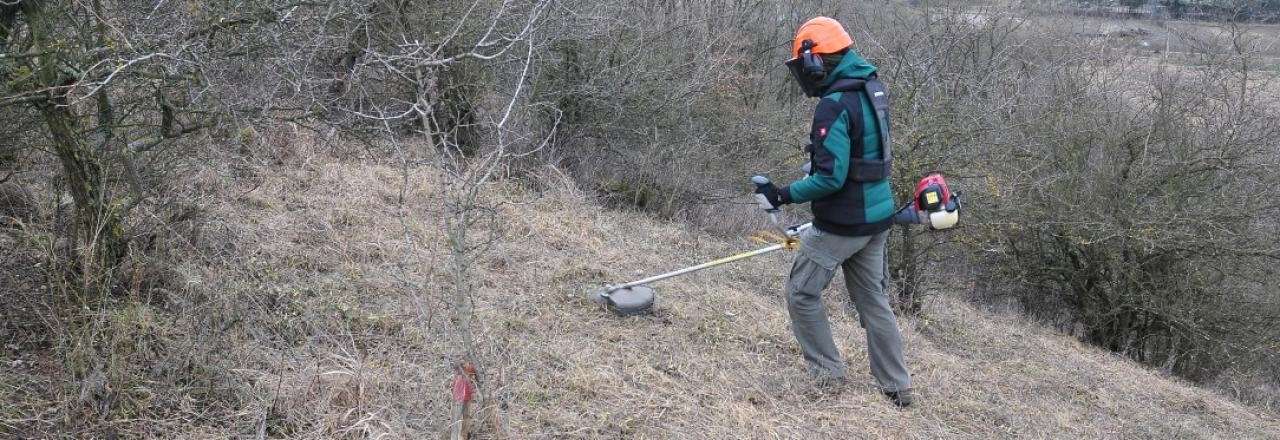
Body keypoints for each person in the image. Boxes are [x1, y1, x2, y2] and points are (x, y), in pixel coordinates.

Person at [753, 16, 913, 407]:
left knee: (801, 292)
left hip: (843, 222)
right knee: (873, 302)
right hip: (877, 216)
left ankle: (827, 374)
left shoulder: (833, 104)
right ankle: (897, 387)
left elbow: (830, 180)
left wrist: (782, 194)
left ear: (815, 62)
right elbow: (862, 155)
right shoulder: (871, 87)